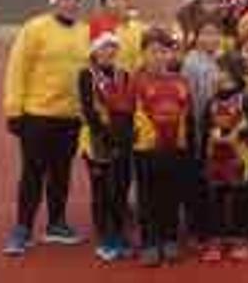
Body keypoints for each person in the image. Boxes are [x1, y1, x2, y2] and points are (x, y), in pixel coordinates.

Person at [3, 0, 89, 256]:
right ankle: (23, 228)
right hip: (37, 115)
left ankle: (57, 223)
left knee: (61, 173)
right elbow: (18, 68)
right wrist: (14, 109)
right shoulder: (35, 28)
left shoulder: (85, 31)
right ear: (55, 1)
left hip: (71, 117)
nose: (71, 4)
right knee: (32, 173)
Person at [132, 27, 192, 267]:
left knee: (170, 196)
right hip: (146, 150)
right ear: (144, 53)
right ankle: (149, 242)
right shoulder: (136, 81)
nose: (158, 56)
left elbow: (187, 114)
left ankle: (169, 239)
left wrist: (184, 143)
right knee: (147, 197)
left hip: (174, 149)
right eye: (153, 51)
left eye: (163, 51)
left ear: (170, 54)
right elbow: (129, 115)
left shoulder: (180, 81)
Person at [78, 16, 136, 262]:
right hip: (97, 141)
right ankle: (106, 236)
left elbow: (130, 107)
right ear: (95, 49)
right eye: (104, 46)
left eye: (113, 46)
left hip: (122, 140)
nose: (109, 51)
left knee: (121, 188)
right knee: (102, 191)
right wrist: (106, 136)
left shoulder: (123, 74)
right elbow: (89, 110)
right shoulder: (87, 75)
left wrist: (127, 136)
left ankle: (119, 232)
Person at [200, 55, 248, 263]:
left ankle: (239, 239)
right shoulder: (211, 101)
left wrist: (239, 134)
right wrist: (212, 134)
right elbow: (205, 126)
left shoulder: (247, 98)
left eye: (224, 71)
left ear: (235, 73)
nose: (220, 76)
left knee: (240, 199)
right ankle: (216, 239)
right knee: (215, 198)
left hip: (240, 157)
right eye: (218, 71)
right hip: (216, 158)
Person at [180, 17, 224, 242]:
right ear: (196, 37)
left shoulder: (219, 60)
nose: (211, 38)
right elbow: (192, 102)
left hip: (220, 129)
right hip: (199, 129)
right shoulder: (191, 63)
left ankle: (212, 224)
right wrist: (198, 136)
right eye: (205, 33)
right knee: (198, 180)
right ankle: (197, 228)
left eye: (215, 33)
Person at [96, 0, 145, 72]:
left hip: (135, 81)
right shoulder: (96, 29)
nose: (118, 3)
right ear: (103, 4)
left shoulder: (139, 28)